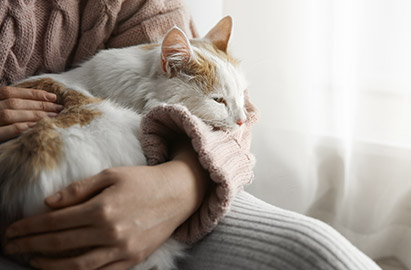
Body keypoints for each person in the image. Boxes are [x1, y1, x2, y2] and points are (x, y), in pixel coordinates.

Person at [0, 1, 381, 269]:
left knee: (320, 253)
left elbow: (236, 120)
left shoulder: (155, 26)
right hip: (45, 181)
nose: (243, 120)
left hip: (188, 177)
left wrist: (183, 183)